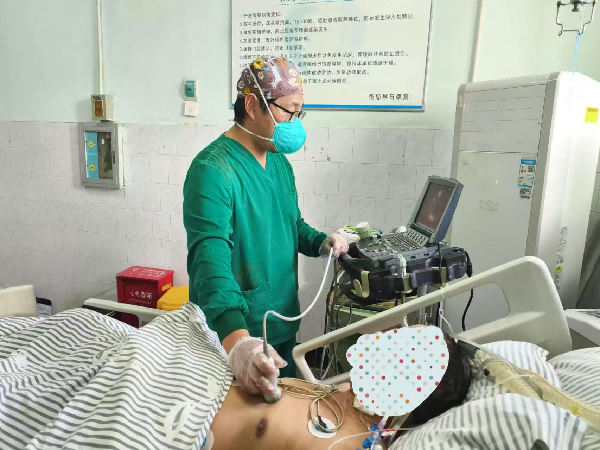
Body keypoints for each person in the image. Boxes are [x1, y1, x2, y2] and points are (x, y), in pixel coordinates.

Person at [183, 56, 349, 397]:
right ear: (251, 105)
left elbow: (291, 224)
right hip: (237, 332)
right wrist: (238, 342)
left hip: (282, 318)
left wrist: (322, 243)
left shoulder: (278, 161)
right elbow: (209, 260)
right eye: (289, 111)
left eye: (299, 113)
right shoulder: (213, 170)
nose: (294, 123)